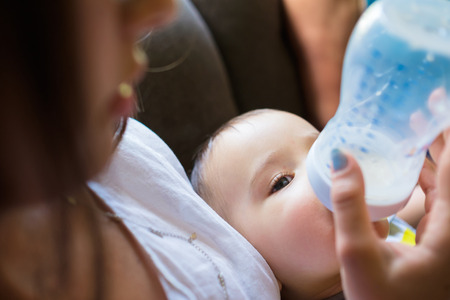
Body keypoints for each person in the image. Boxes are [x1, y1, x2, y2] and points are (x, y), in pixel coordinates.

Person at [2, 0, 450, 299]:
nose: (329, 168)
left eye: (321, 144)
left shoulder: (399, 230)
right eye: (281, 182)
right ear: (251, 254)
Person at [190, 109, 422, 299]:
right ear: (254, 263)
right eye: (282, 182)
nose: (325, 165)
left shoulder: (390, 224)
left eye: (322, 148)